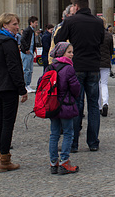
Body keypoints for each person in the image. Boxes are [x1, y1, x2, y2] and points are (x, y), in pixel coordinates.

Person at [54, 0, 106, 151]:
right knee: (93, 106)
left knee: (76, 105)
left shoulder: (70, 21)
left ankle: (74, 143)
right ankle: (93, 143)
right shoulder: (98, 22)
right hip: (94, 67)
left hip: (76, 67)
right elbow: (102, 41)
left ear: (75, 6)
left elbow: (58, 41)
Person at [0, 13, 28, 172]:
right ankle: (5, 160)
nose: (17, 27)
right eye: (14, 24)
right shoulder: (8, 42)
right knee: (7, 124)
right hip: (7, 87)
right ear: (5, 25)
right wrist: (22, 89)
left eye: (17, 24)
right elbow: (14, 68)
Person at [44, 42, 81, 175]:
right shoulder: (69, 68)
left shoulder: (50, 67)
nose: (72, 54)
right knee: (68, 133)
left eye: (72, 52)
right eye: (69, 52)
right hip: (66, 104)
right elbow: (76, 88)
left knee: (54, 134)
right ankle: (64, 161)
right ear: (62, 53)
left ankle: (53, 162)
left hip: (52, 105)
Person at [98, 17, 114, 117]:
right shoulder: (109, 35)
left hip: (96, 62)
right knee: (104, 84)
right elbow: (111, 51)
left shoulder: (94, 35)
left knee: (96, 84)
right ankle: (105, 103)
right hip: (106, 62)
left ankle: (99, 106)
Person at [20, 16, 38, 93]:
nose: (37, 24)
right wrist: (26, 48)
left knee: (30, 70)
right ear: (31, 23)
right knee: (26, 69)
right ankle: (25, 85)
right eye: (35, 23)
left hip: (30, 51)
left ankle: (28, 84)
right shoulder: (27, 30)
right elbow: (22, 39)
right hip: (26, 52)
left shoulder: (32, 31)